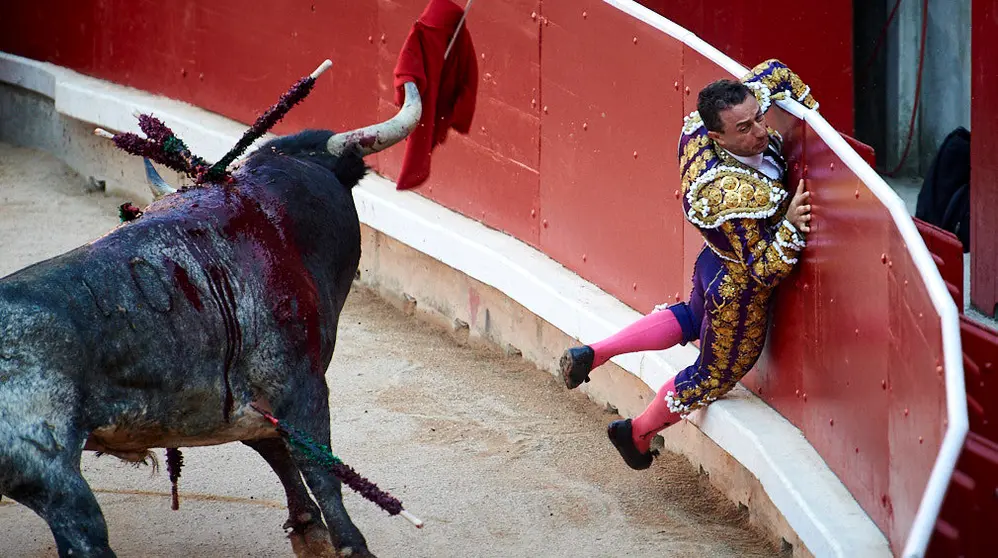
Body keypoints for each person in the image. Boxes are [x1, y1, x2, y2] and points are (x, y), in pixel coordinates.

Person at [560, 59, 818, 470]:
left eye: (759, 118)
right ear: (718, 135)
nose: (760, 132)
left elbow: (776, 70)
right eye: (745, 129)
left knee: (691, 316)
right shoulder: (727, 193)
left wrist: (814, 119)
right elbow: (765, 270)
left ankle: (595, 352)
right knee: (712, 374)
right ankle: (638, 433)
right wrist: (788, 226)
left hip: (712, 264)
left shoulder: (707, 122)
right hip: (736, 292)